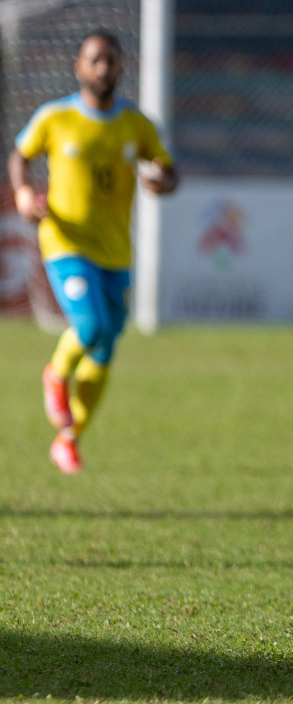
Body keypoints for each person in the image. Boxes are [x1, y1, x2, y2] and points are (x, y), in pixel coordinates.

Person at [8, 30, 179, 473]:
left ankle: (69, 438)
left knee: (105, 348)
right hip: (66, 242)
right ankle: (55, 374)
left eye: (111, 61)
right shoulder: (55, 117)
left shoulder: (136, 125)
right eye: (95, 60)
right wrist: (24, 193)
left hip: (116, 252)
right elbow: (19, 156)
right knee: (92, 324)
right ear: (79, 68)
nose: (104, 68)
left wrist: (163, 181)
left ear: (123, 67)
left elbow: (169, 171)